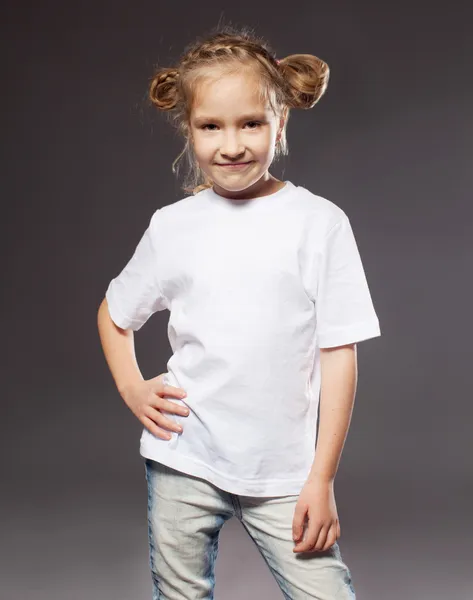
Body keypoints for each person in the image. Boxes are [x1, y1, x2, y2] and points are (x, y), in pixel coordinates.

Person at [97, 24, 381, 600]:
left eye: (251, 122)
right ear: (189, 130)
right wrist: (132, 388)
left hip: (284, 473)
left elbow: (340, 354)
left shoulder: (318, 224)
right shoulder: (172, 226)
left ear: (281, 121)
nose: (232, 144)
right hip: (185, 460)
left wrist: (321, 478)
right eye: (211, 126)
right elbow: (114, 312)